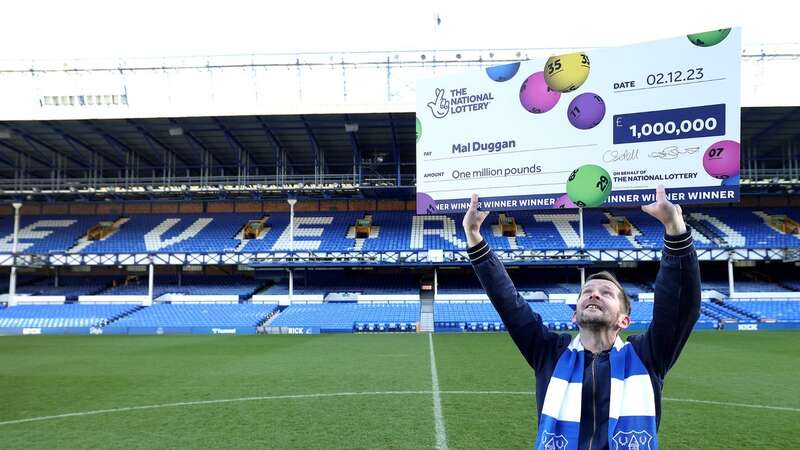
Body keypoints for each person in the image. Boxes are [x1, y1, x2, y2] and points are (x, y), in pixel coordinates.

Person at [462, 185, 700, 450]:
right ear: (574, 316)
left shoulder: (647, 355)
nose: (594, 295)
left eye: (606, 293)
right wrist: (474, 237)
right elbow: (509, 304)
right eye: (587, 291)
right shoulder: (550, 353)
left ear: (624, 320)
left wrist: (675, 229)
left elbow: (678, 305)